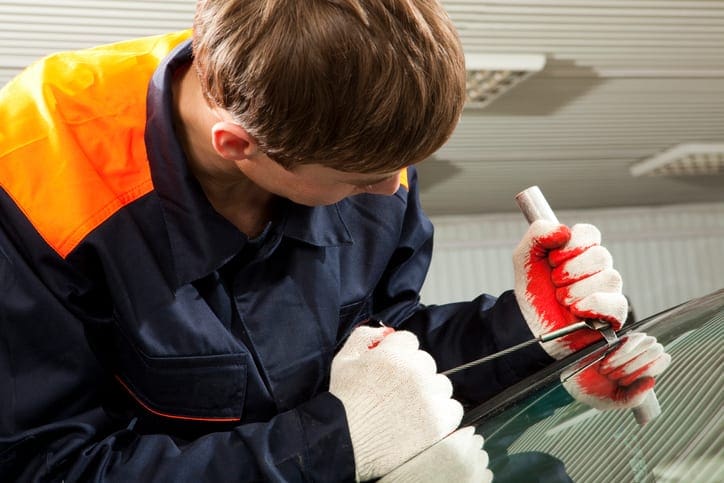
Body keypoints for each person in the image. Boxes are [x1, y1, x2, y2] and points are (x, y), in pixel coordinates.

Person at [0, 1, 670, 481]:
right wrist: (330, 447)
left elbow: (382, 359)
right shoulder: (32, 183)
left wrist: (525, 337)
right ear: (238, 146)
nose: (390, 192)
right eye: (359, 181)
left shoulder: (344, 117)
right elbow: (45, 462)